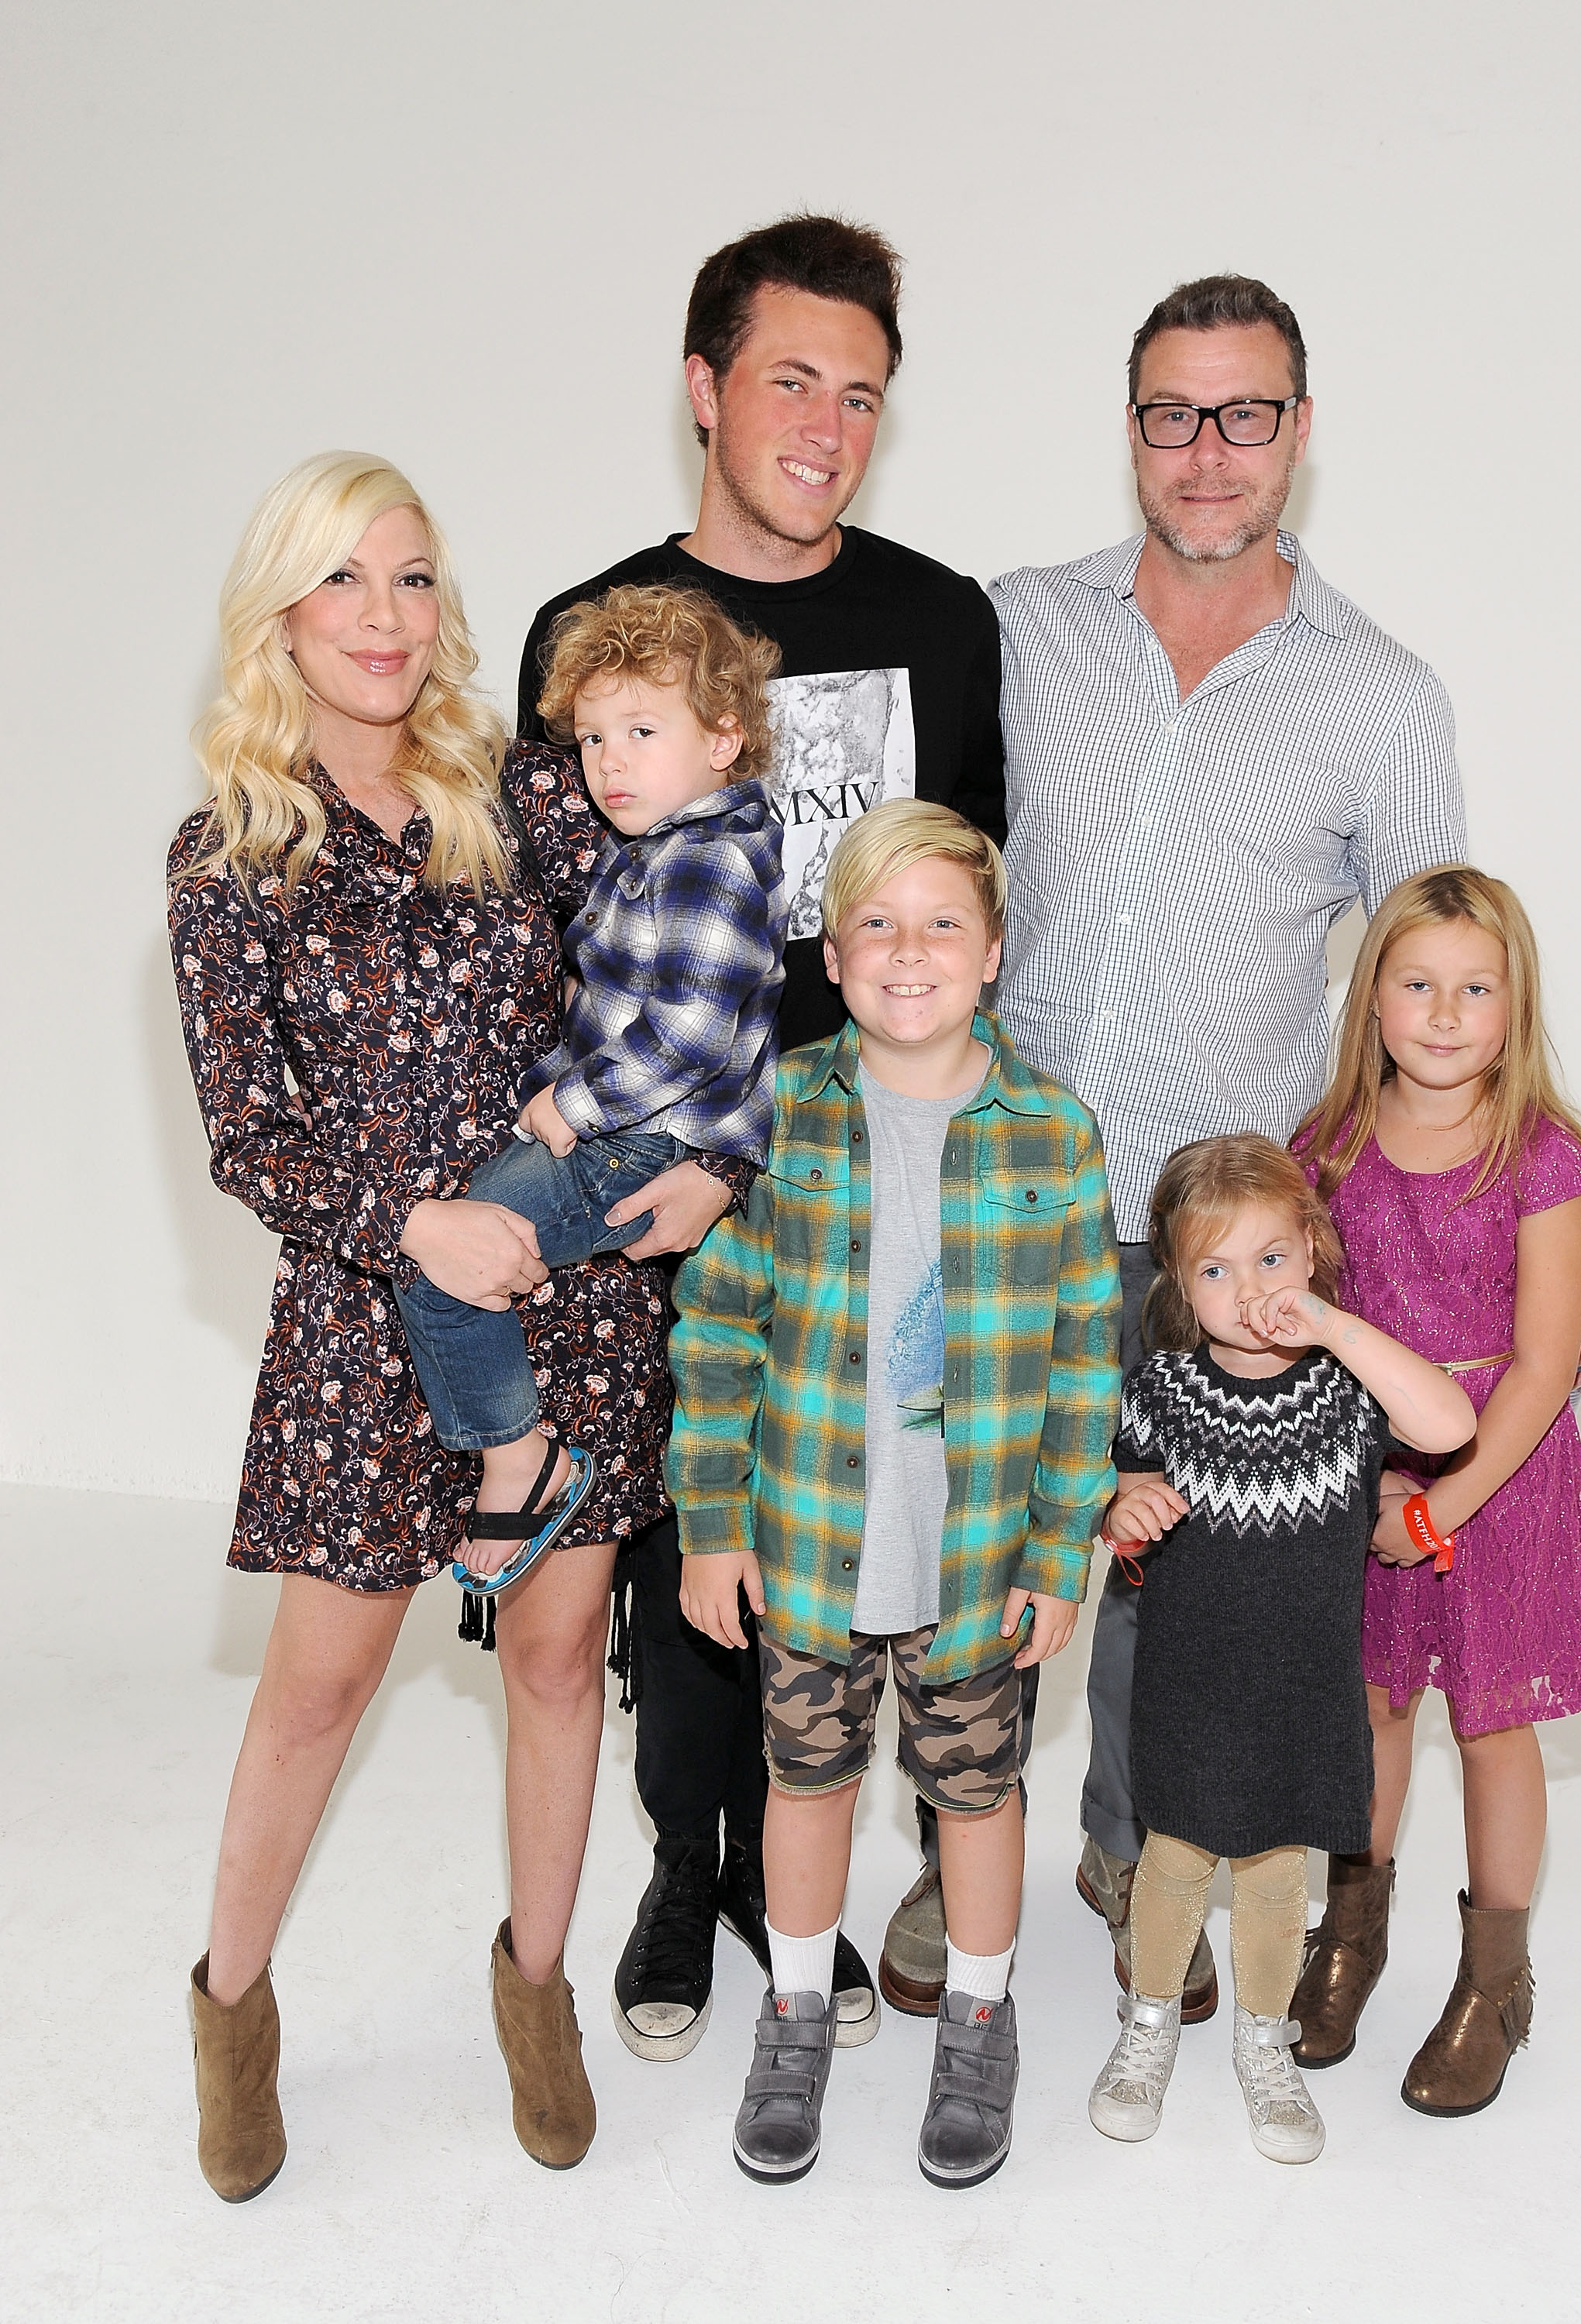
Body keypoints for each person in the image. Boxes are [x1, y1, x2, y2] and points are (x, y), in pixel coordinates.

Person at [942, 270, 1581, 2008]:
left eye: (1244, 414)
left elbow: (1436, 993)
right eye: (1171, 411)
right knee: (991, 1540)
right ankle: (972, 1873)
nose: (1206, 450)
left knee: (1171, 1579)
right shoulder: (1016, 627)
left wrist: (1545, 1240)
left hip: (1211, 1230)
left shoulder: (1381, 701)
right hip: (1001, 1191)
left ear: (1299, 435)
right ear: (1129, 429)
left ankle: (1124, 1869)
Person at [168, 452, 751, 2199]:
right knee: (317, 1692)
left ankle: (536, 1992)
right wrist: (407, 1220)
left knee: (566, 1663)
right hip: (366, 1323)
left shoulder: (529, 792)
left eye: (413, 579)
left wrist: (723, 1155)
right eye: (346, 582)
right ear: (281, 613)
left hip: (570, 1299)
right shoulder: (229, 855)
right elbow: (246, 1133)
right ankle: (231, 2011)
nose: (385, 618)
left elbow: (692, 952)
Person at [517, 215, 1007, 2061]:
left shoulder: (937, 624)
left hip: (871, 1172)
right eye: (789, 377)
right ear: (706, 391)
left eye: (861, 391)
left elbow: (978, 896)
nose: (825, 419)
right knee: (678, 1539)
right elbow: (552, 929)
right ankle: (682, 1865)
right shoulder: (597, 632)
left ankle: (774, 1869)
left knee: (839, 1531)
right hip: (653, 1177)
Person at [667, 803, 1120, 2188]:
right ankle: (795, 2009)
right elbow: (717, 1328)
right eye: (876, 923)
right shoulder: (779, 1110)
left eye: (941, 925)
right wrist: (709, 1526)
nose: (907, 952)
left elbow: (1086, 1367)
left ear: (992, 954)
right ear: (831, 944)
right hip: (810, 1541)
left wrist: (1060, 1553)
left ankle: (979, 2016)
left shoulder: (1052, 1132)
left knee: (975, 1796)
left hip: (977, 1555)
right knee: (804, 1784)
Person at [1289, 866, 1581, 2115]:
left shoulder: (1543, 1158)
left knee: (1491, 1725)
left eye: (1475, 990)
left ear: (1514, 1007)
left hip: (1504, 1483)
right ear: (1371, 1002)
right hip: (1368, 1480)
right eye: (1416, 985)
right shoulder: (1329, 1146)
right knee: (1367, 1709)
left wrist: (1448, 1506)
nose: (1442, 1012)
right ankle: (1350, 1933)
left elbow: (1542, 1366)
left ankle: (1495, 1980)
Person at [1088, 1136, 1473, 2162]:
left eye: (1271, 1259)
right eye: (1214, 1269)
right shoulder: (1162, 1391)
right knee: (1170, 1861)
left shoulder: (1349, 1394)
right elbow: (1093, 1487)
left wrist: (1334, 1326)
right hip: (1187, 1678)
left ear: (1313, 1251)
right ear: (1177, 1282)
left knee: (1271, 1870)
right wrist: (1121, 1504)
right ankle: (1149, 2022)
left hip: (1302, 1686)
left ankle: (1266, 2041)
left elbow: (1450, 1417)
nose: (1248, 1289)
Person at [394, 584, 788, 1574]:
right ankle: (518, 1455)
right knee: (459, 1249)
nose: (611, 762)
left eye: (643, 731)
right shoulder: (653, 849)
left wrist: (570, 1103)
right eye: (593, 739)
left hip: (642, 1142)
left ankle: (522, 1465)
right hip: (631, 1132)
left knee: (445, 1262)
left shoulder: (708, 862)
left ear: (723, 741)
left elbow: (689, 1038)